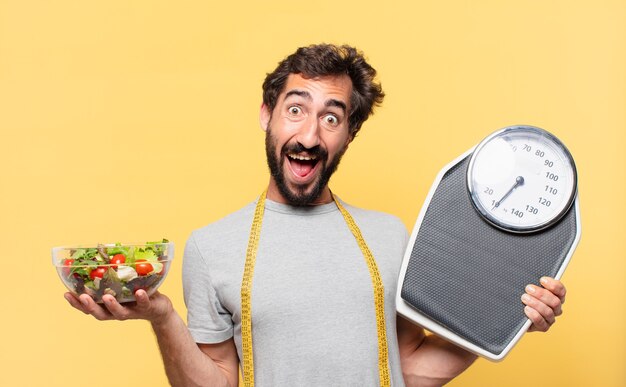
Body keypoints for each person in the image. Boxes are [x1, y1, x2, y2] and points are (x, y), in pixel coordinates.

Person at [65, 44, 567, 387]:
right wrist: (162, 317)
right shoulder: (210, 246)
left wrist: (506, 318)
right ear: (267, 115)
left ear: (349, 134)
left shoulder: (390, 237)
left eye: (332, 117)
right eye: (296, 108)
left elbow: (408, 369)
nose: (309, 135)